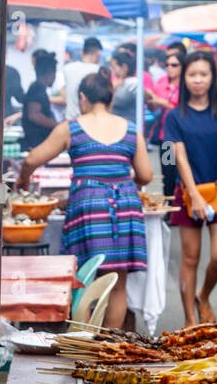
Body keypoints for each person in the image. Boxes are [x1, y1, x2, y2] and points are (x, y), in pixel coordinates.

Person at [20, 71, 151, 329]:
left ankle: (86, 343)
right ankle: (109, 347)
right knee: (117, 282)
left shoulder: (72, 127)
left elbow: (30, 160)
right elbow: (146, 175)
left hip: (88, 205)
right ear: (111, 99)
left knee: (84, 279)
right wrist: (121, 183)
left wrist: (23, 180)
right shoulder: (131, 130)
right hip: (124, 204)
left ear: (82, 98)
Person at [166, 51, 217, 327]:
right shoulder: (174, 116)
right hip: (188, 192)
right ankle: (190, 319)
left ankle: (203, 295)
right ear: (184, 79)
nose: (198, 80)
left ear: (212, 78)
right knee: (190, 258)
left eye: (204, 74)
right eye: (192, 74)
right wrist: (192, 196)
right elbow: (178, 157)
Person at [149, 44, 185, 199]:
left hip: (184, 138)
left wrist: (160, 101)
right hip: (166, 138)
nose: (170, 68)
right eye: (168, 64)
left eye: (174, 65)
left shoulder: (187, 84)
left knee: (183, 172)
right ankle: (169, 206)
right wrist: (150, 101)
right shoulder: (162, 81)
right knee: (167, 172)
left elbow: (182, 107)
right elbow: (154, 107)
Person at [21, 50, 58, 150]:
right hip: (35, 143)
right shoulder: (37, 89)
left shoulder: (39, 88)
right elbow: (34, 115)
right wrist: (57, 125)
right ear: (50, 74)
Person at [62, 37, 102, 120]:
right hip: (88, 121)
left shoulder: (67, 68)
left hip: (69, 119)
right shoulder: (98, 71)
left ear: (82, 52)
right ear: (98, 54)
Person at [109, 47, 141, 120]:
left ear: (124, 67)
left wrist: (111, 89)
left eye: (114, 68)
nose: (113, 71)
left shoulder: (132, 83)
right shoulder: (125, 82)